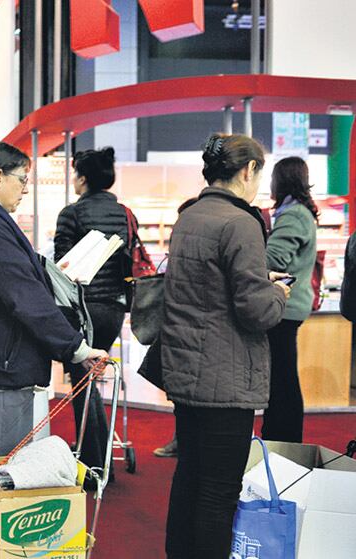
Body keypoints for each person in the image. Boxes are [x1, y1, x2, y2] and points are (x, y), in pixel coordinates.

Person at [0, 141, 107, 559]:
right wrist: (76, 348)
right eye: (22, 179)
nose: (25, 188)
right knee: (1, 479)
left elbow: (19, 287)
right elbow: (23, 298)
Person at [161, 134, 290, 559]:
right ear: (249, 170)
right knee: (219, 493)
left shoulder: (191, 216)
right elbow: (256, 311)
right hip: (227, 377)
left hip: (186, 371)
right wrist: (278, 295)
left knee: (189, 479)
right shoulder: (241, 223)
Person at [54, 146, 129, 482]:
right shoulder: (125, 213)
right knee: (91, 380)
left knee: (82, 382)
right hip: (114, 307)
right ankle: (96, 456)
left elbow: (61, 265)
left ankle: (95, 463)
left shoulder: (72, 213)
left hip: (82, 308)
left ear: (82, 178)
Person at [261, 156, 318, 443]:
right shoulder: (300, 213)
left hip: (284, 307)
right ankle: (281, 437)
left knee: (282, 380)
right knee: (283, 376)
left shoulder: (293, 215)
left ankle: (282, 440)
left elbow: (273, 259)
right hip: (292, 306)